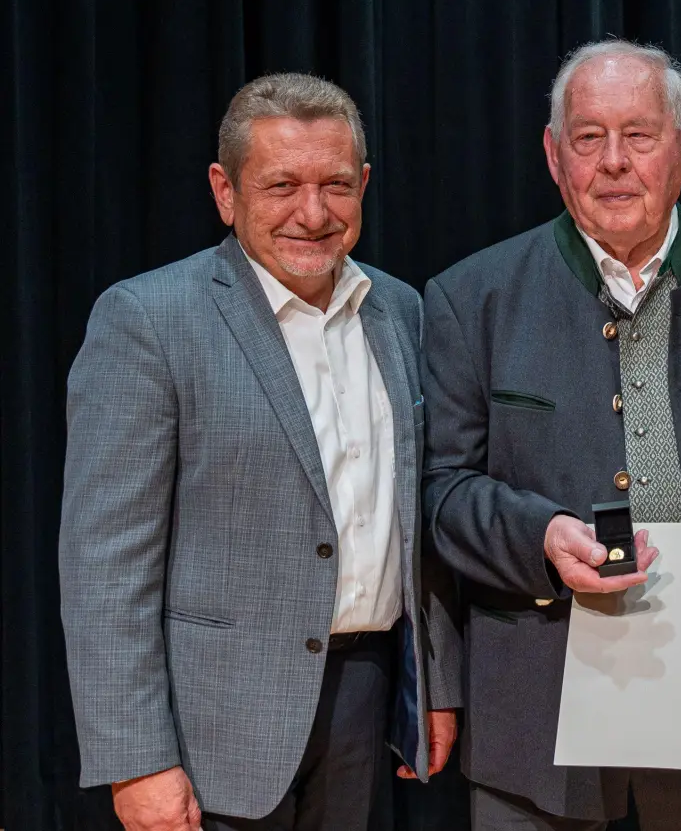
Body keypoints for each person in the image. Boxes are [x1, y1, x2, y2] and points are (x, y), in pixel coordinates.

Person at [421, 40, 681, 831]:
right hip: (539, 724)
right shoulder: (470, 299)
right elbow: (444, 493)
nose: (614, 162)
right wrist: (539, 536)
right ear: (555, 157)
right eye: (588, 138)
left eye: (640, 136)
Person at [59, 73, 462, 831]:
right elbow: (105, 567)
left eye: (335, 185)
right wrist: (136, 758)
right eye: (281, 185)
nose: (312, 213)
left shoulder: (401, 312)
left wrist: (433, 685)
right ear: (225, 190)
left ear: (364, 184)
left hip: (364, 701)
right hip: (213, 728)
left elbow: (421, 515)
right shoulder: (148, 320)